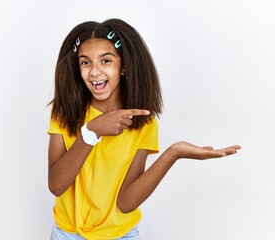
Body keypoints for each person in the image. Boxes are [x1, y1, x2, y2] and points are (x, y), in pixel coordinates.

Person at [47, 18, 240, 240]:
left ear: (124, 67)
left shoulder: (143, 123)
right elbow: (56, 185)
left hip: (121, 235)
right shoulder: (64, 112)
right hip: (68, 234)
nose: (94, 72)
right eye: (85, 62)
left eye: (106, 61)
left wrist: (173, 153)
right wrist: (92, 132)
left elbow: (126, 202)